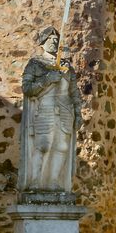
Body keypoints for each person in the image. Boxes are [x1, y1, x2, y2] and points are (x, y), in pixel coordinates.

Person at [19, 26, 82, 198]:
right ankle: (35, 182)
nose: (54, 43)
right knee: (43, 145)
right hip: (45, 108)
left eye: (56, 40)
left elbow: (74, 93)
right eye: (50, 40)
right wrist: (47, 79)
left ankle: (54, 181)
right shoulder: (36, 64)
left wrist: (78, 113)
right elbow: (27, 88)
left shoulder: (66, 67)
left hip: (65, 110)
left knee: (61, 147)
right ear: (43, 43)